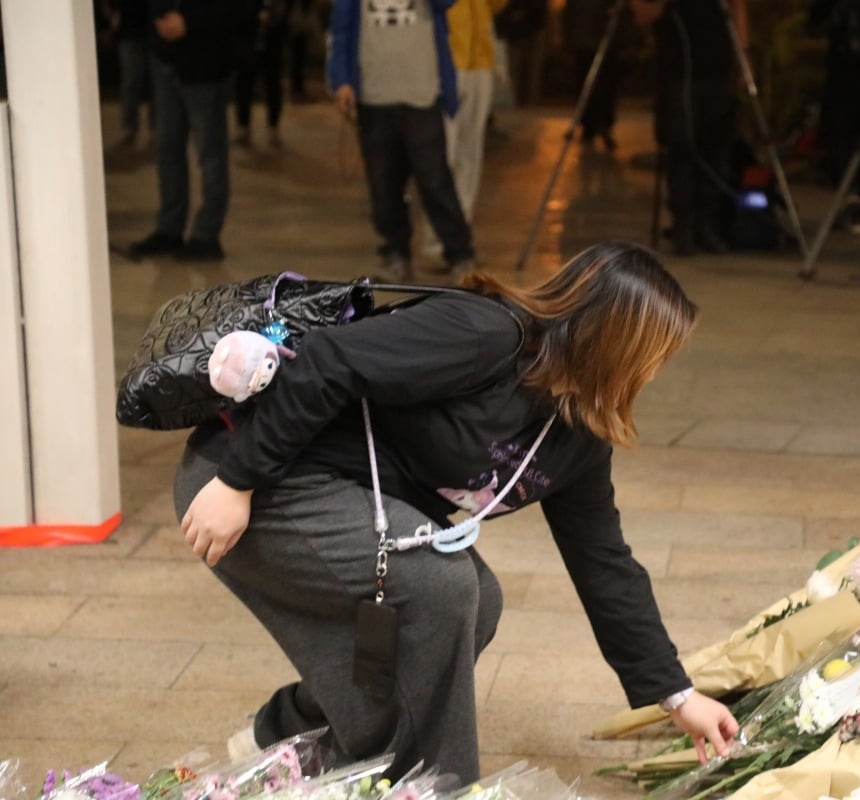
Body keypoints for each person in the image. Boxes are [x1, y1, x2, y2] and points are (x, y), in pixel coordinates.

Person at [173, 242, 740, 782]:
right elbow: (327, 359)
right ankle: (432, 786)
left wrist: (677, 695)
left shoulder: (574, 434)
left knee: (478, 599)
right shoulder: (485, 333)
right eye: (657, 354)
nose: (655, 371)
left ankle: (288, 736)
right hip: (254, 481)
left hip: (338, 496)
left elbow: (605, 563)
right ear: (620, 344)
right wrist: (237, 482)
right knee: (441, 587)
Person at [328, 0, 477, 282]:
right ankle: (395, 253)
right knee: (383, 185)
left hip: (422, 94)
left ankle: (461, 255)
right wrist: (341, 80)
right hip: (374, 96)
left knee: (435, 181)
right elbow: (341, 29)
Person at [129, 0, 244, 262]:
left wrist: (190, 22)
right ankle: (169, 228)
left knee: (210, 154)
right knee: (167, 149)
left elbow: (237, 9)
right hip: (165, 58)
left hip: (205, 63)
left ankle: (207, 234)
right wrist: (158, 19)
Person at [630, 0, 746, 257]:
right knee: (680, 146)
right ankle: (683, 223)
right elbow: (642, 13)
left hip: (717, 64)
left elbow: (737, 7)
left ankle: (707, 223)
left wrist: (743, 57)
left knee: (715, 146)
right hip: (677, 70)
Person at [418, 0, 508, 263]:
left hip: (479, 59)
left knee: (470, 156)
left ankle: (459, 239)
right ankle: (436, 242)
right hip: (443, 59)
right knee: (442, 156)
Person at [562, 0, 628, 153]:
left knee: (606, 88)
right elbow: (569, 16)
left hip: (605, 42)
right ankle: (589, 126)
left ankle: (603, 125)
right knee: (586, 85)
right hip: (584, 43)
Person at [235, 0, 290, 149]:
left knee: (273, 85)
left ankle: (273, 126)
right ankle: (243, 125)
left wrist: (274, 18)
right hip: (248, 41)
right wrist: (255, 16)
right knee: (244, 85)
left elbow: (285, 10)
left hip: (272, 43)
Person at [107, 0, 155, 148]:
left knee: (155, 84)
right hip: (129, 29)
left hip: (153, 27)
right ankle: (129, 130)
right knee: (131, 82)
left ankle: (156, 130)